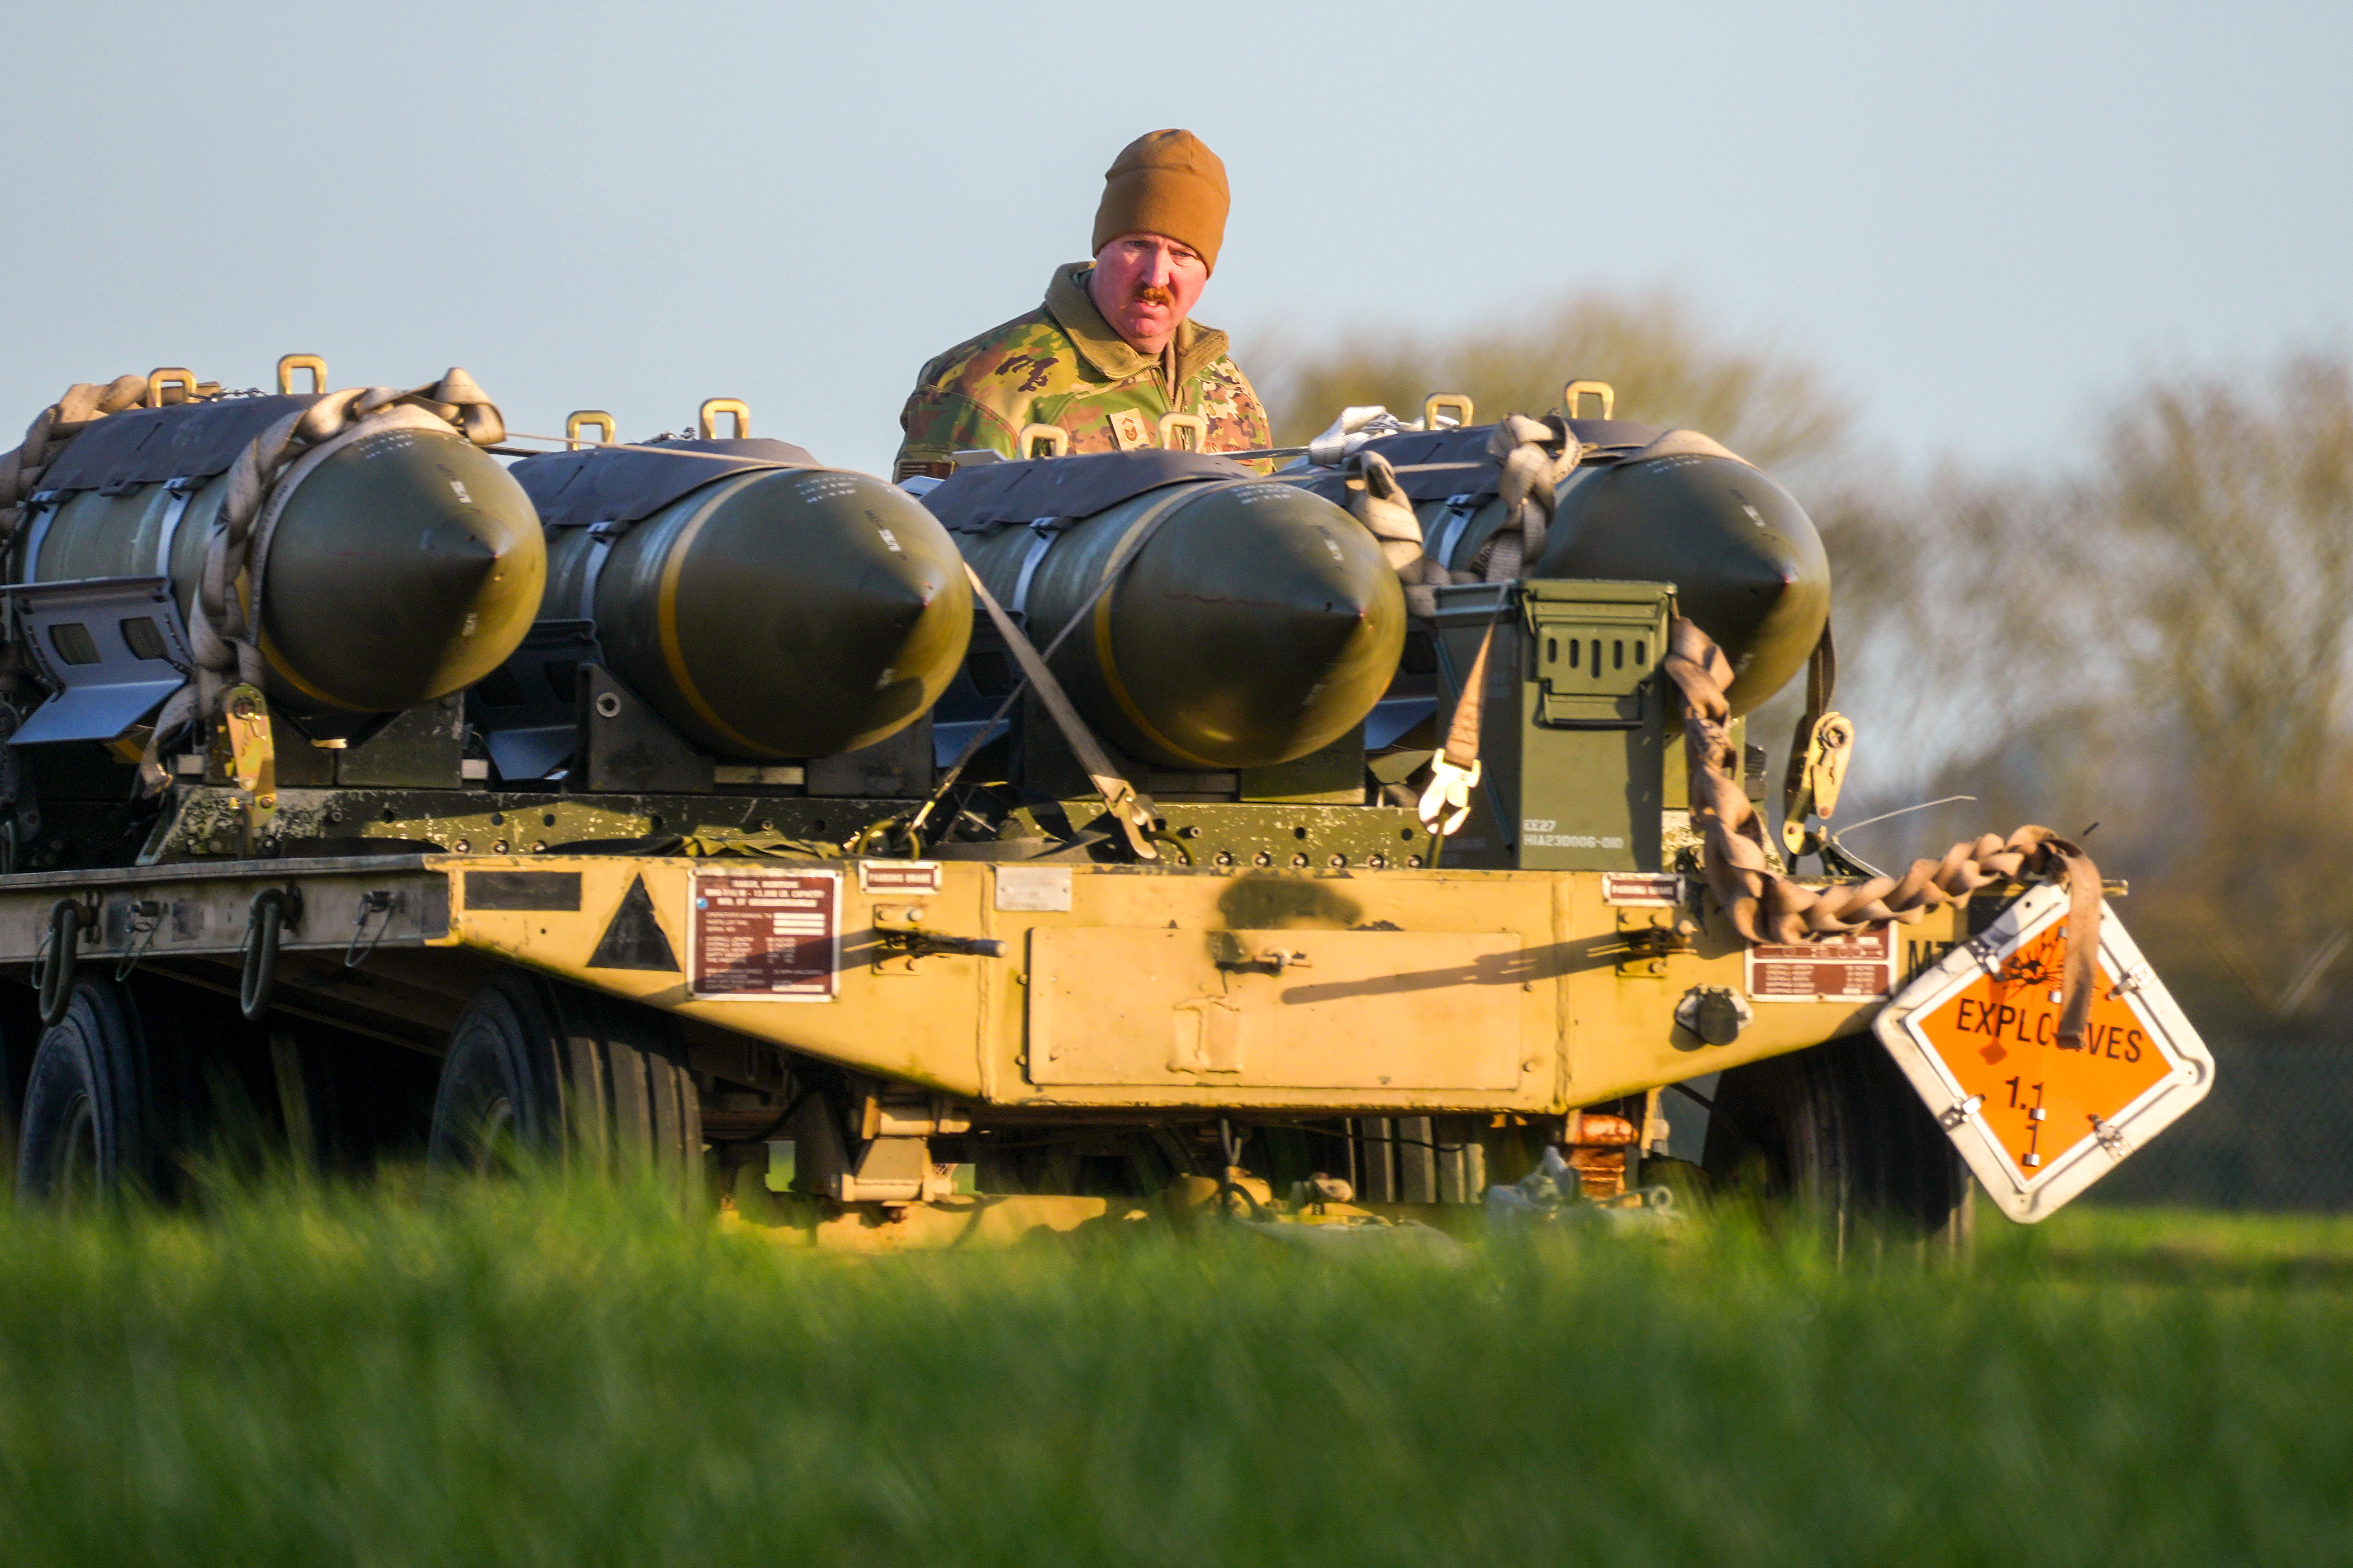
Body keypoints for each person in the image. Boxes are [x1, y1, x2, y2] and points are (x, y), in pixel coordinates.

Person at [893, 129, 1273, 481]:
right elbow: (927, 544)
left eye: (1182, 255)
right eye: (1137, 245)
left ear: (1206, 270)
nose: (1155, 278)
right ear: (1101, 247)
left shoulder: (1227, 389)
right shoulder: (981, 385)